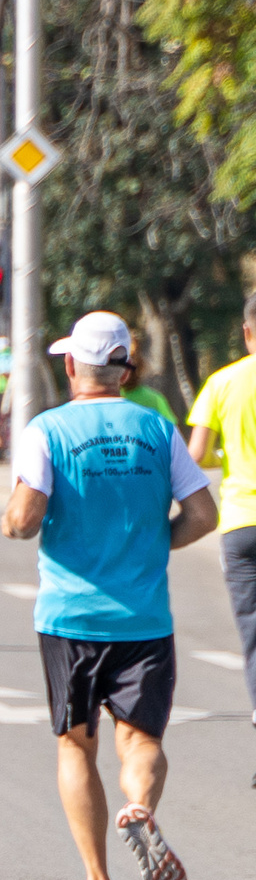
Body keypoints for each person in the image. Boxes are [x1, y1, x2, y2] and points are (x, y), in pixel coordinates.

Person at [3, 311, 216, 880]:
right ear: (125, 366)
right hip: (145, 617)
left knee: (77, 744)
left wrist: (14, 518)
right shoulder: (156, 428)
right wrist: (154, 544)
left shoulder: (49, 430)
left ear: (71, 365)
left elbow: (23, 518)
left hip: (71, 617)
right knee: (141, 741)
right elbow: (202, 514)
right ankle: (141, 806)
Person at [186, 289, 256, 753]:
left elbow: (195, 456)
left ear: (248, 332)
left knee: (253, 631)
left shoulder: (223, 382)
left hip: (242, 525)